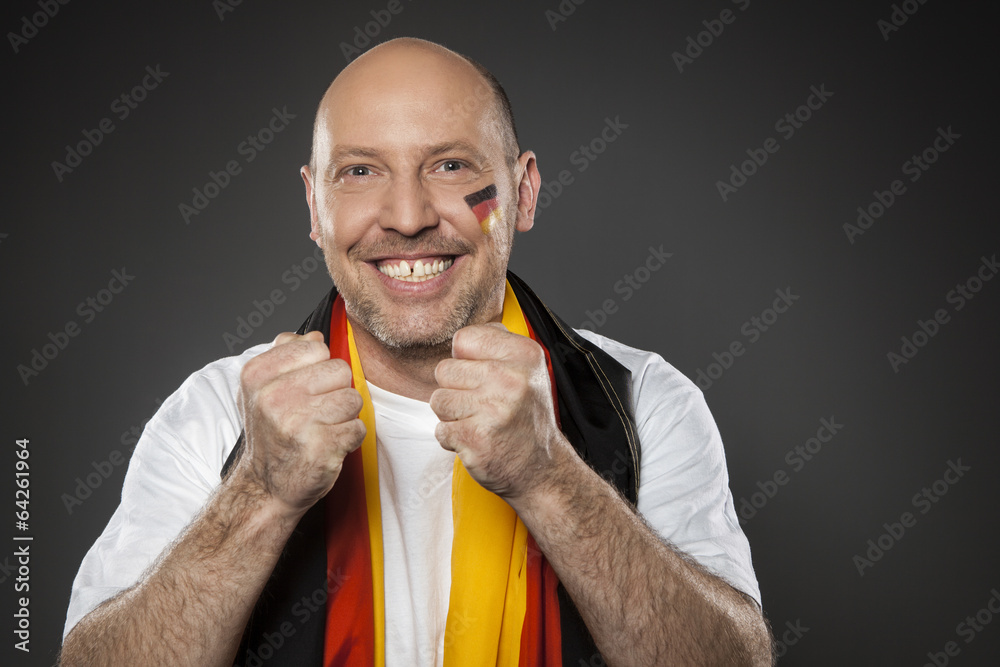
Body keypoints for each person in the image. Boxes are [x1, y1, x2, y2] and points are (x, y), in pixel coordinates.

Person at [60, 38, 772, 666]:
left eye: (453, 166)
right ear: (315, 207)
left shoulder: (644, 400)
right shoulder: (217, 411)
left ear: (522, 193)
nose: (407, 217)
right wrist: (259, 495)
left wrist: (550, 477)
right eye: (360, 172)